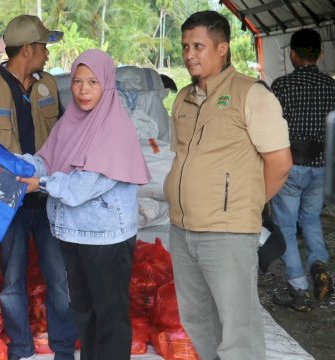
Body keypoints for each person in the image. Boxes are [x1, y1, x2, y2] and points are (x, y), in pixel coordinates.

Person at [164, 11, 292, 360]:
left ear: (222, 49)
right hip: (182, 228)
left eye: (199, 46)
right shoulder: (183, 99)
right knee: (197, 319)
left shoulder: (251, 95)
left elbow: (280, 164)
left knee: (238, 328)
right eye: (186, 46)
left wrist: (243, 207)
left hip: (228, 233)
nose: (190, 54)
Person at [17, 49, 151, 360]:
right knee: (84, 313)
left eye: (92, 82)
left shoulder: (114, 128)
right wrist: (17, 165)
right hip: (72, 233)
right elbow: (46, 160)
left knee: (110, 317)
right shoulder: (69, 123)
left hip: (106, 237)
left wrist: (42, 184)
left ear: (107, 84)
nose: (83, 89)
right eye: (77, 81)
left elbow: (82, 186)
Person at [0, 14, 77, 360]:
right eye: (43, 47)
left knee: (59, 279)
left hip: (46, 195)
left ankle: (61, 348)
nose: (47, 54)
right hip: (7, 202)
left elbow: (60, 138)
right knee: (12, 281)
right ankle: (21, 347)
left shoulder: (47, 87)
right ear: (27, 49)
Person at [270, 28, 335, 311]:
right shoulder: (332, 88)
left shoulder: (282, 86)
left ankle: (299, 289)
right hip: (320, 167)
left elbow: (270, 128)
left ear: (292, 54)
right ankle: (318, 262)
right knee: (310, 219)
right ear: (320, 53)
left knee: (285, 224)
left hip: (289, 166)